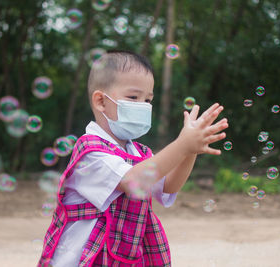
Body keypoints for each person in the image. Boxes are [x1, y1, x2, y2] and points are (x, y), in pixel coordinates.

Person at [38, 50, 228, 267]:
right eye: (133, 97)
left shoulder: (139, 152)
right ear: (101, 101)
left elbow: (168, 185)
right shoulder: (90, 152)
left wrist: (190, 150)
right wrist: (182, 144)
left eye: (148, 99)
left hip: (123, 257)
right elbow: (133, 181)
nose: (143, 105)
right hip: (86, 259)